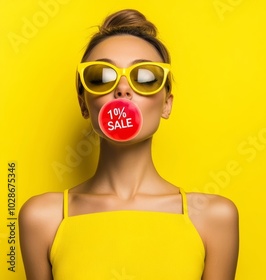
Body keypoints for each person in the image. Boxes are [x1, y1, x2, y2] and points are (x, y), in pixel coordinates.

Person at [19, 9, 239, 280]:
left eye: (145, 77)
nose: (123, 89)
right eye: (102, 77)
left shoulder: (214, 218)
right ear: (83, 104)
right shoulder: (43, 219)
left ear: (166, 103)